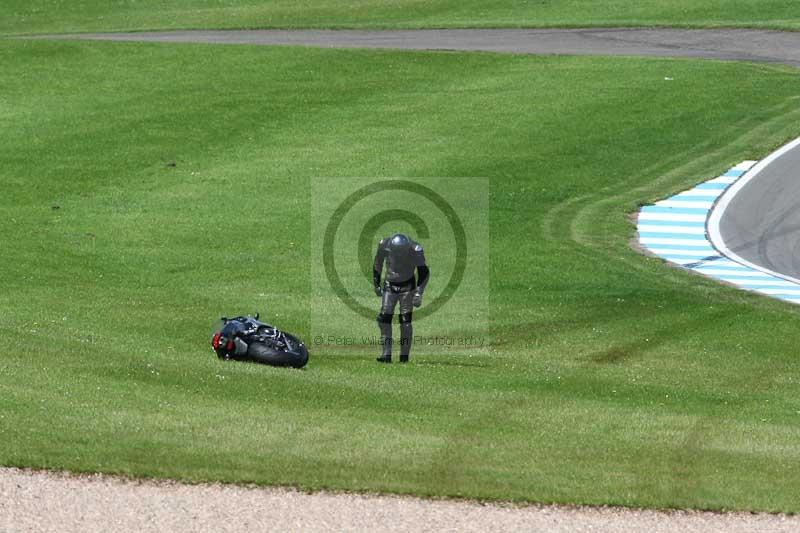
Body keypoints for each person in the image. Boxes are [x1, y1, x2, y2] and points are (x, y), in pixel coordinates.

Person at [372, 233, 429, 363]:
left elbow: (424, 272)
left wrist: (419, 292)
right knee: (384, 318)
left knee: (406, 323)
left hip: (408, 287)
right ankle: (386, 355)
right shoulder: (384, 244)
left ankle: (404, 357)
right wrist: (376, 283)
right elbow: (378, 263)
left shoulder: (416, 249)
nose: (398, 256)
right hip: (390, 285)